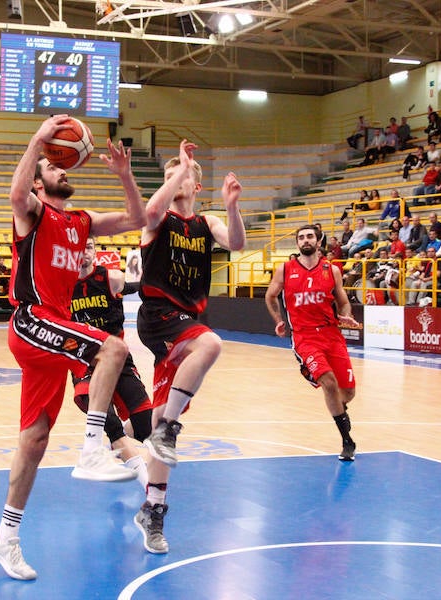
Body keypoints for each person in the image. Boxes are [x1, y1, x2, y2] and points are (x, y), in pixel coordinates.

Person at [0, 116, 146, 580]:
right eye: (53, 167)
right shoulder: (33, 212)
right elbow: (16, 195)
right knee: (113, 349)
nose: (62, 168)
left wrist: (125, 175)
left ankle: (5, 537)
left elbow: (136, 219)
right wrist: (38, 141)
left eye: (60, 164)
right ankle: (93, 447)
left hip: (54, 326)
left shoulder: (82, 222)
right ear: (39, 181)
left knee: (34, 440)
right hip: (31, 318)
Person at [135, 139, 245, 554]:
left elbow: (236, 243)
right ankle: (167, 429)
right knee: (212, 344)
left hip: (185, 322)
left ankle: (153, 510)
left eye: (181, 177)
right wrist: (179, 168)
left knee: (159, 422)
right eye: (168, 176)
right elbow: (149, 212)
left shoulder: (205, 223)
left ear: (196, 187)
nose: (174, 180)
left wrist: (232, 207)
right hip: (158, 315)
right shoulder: (157, 220)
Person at [265, 225, 359, 462]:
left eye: (310, 237)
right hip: (304, 337)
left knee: (348, 392)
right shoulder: (285, 269)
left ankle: (339, 411)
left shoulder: (332, 270)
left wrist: (346, 315)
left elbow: (343, 302)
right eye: (301, 237)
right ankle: (347, 441)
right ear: (297, 243)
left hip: (331, 334)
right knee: (329, 383)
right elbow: (270, 295)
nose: (305, 240)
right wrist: (278, 320)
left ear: (318, 242)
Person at [69, 236, 152, 488]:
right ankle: (151, 494)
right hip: (85, 365)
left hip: (119, 360)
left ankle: (122, 439)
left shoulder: (111, 278)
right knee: (112, 426)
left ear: (95, 251)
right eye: (79, 247)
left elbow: (139, 287)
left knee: (146, 426)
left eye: (89, 247)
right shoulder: (62, 286)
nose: (85, 252)